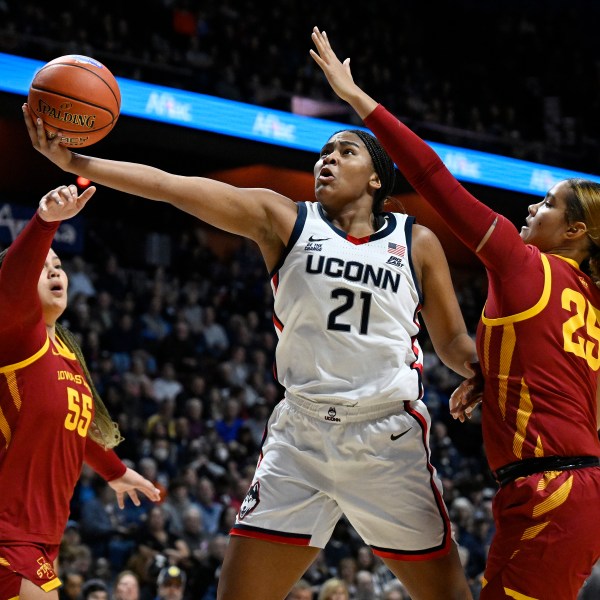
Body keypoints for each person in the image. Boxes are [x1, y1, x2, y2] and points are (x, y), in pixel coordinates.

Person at [22, 53, 478, 599]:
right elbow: (171, 186)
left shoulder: (416, 241)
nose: (326, 161)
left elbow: (451, 340)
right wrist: (78, 161)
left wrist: (483, 372)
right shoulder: (284, 217)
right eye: (323, 153)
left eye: (345, 151)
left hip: (386, 437)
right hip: (302, 436)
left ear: (377, 176)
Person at [308, 24, 600, 600]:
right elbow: (559, 382)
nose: (530, 206)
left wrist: (357, 98)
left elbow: (434, 178)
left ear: (574, 230)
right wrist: (493, 378)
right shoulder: (588, 298)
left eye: (546, 204)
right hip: (555, 487)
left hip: (554, 489)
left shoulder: (523, 264)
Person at [0, 184, 162, 600]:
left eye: (59, 265)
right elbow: (13, 280)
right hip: (8, 531)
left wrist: (115, 471)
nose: (55, 271)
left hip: (41, 534)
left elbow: (77, 429)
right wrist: (44, 224)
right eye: (44, 266)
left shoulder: (68, 355)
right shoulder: (18, 339)